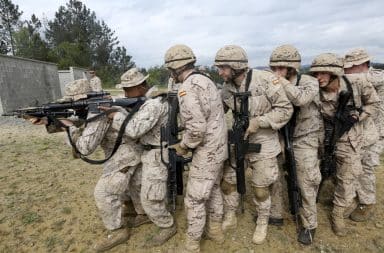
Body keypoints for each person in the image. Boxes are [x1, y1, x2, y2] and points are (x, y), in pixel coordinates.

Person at [30, 78, 147, 252]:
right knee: (128, 185)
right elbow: (80, 122)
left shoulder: (98, 110)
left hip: (126, 154)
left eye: (72, 101)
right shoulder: (93, 107)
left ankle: (118, 232)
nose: (70, 105)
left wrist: (69, 127)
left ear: (82, 99)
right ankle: (139, 212)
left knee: (104, 192)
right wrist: (49, 121)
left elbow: (85, 147)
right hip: (128, 151)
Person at [215, 45, 292, 245]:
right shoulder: (226, 87)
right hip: (239, 138)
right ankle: (230, 214)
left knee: (260, 188)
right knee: (228, 182)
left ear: (236, 67)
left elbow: (285, 109)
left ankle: (263, 220)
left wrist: (259, 122)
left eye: (223, 67)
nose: (219, 72)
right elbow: (218, 111)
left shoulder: (265, 80)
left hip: (263, 140)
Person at [164, 44, 228, 253]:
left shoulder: (187, 88)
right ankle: (215, 231)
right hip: (219, 148)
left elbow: (197, 129)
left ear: (175, 68)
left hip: (207, 152)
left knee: (195, 198)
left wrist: (184, 146)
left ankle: (192, 245)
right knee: (214, 189)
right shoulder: (206, 80)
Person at [105, 68, 177, 247]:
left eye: (127, 90)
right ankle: (146, 216)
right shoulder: (147, 102)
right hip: (147, 152)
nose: (124, 93)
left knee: (150, 196)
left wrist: (116, 115)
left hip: (156, 153)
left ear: (140, 87)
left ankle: (167, 224)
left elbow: (134, 129)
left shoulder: (154, 104)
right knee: (138, 186)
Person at [309, 53, 379, 236]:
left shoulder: (356, 83)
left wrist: (358, 116)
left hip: (351, 139)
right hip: (326, 140)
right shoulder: (315, 92)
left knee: (347, 179)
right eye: (316, 74)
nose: (319, 78)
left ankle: (338, 213)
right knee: (327, 172)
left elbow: (373, 103)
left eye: (323, 73)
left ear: (334, 72)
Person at [269, 45, 321, 245]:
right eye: (274, 68)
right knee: (276, 178)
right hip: (281, 136)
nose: (277, 72)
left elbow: (301, 99)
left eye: (281, 68)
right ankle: (276, 214)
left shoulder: (308, 81)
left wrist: (279, 81)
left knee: (306, 182)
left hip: (304, 139)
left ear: (292, 67)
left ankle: (309, 225)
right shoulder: (275, 81)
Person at [344, 48, 384, 221]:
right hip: (362, 131)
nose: (346, 71)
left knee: (365, 168)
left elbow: (364, 79)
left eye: (349, 67)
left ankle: (366, 203)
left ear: (362, 64)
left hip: (378, 132)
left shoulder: (377, 77)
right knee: (352, 165)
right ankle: (351, 198)